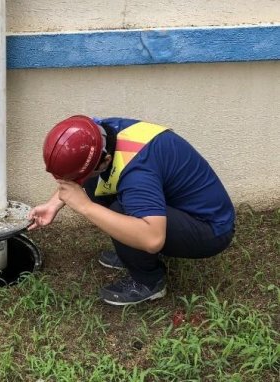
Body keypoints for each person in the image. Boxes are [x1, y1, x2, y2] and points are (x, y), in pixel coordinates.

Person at [28, 116, 235, 305]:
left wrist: (85, 206)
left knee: (122, 210)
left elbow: (153, 239)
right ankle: (132, 252)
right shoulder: (98, 134)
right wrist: (52, 204)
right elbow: (84, 171)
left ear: (106, 160)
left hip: (211, 229)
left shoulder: (138, 172)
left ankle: (150, 282)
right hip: (181, 207)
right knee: (94, 183)